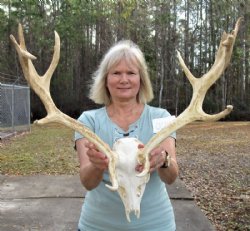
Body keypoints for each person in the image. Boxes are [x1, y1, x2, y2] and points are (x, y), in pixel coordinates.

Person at [75, 40, 179, 231]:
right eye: (116, 73)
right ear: (106, 79)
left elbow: (171, 177)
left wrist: (163, 160)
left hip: (156, 225)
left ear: (141, 79)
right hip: (97, 226)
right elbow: (87, 182)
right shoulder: (88, 121)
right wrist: (97, 166)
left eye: (131, 73)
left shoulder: (161, 118)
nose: (124, 80)